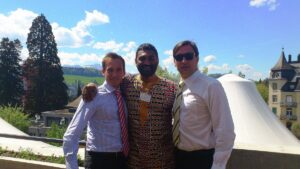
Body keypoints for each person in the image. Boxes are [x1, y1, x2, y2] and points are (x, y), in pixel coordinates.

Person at [83, 43, 176, 169]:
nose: (147, 62)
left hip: (162, 161)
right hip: (133, 161)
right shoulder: (127, 82)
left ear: (157, 60)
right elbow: (110, 82)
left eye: (151, 58)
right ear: (136, 61)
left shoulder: (171, 88)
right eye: (142, 58)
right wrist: (91, 86)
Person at [172, 40, 235, 169]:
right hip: (177, 157)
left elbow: (225, 130)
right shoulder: (178, 88)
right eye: (179, 57)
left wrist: (218, 166)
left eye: (188, 56)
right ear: (174, 62)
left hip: (201, 160)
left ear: (197, 58)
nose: (183, 61)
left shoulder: (211, 86)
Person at [63, 52, 128, 169]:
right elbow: (71, 134)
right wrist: (71, 166)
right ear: (102, 72)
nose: (115, 74)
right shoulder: (93, 95)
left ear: (124, 72)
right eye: (110, 70)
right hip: (98, 160)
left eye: (119, 70)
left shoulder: (126, 94)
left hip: (123, 160)